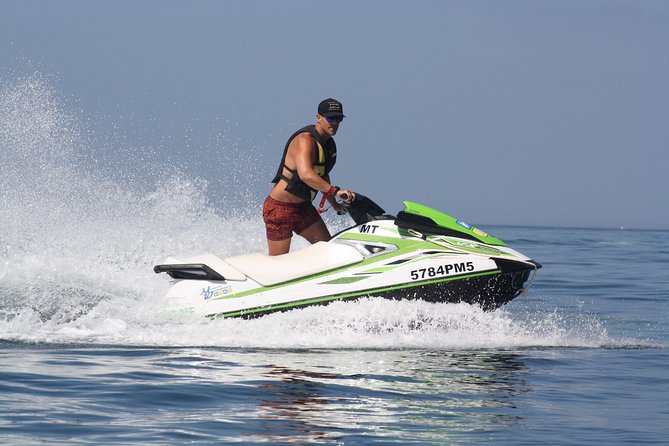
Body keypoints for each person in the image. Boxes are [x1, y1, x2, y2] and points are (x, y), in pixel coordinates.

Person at [263, 98, 355, 256]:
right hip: (279, 209)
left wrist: (335, 205)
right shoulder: (305, 140)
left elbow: (322, 176)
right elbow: (306, 175)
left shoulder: (328, 145)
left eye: (338, 119)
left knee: (328, 250)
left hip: (303, 209)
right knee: (278, 263)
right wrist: (335, 191)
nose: (335, 123)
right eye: (331, 118)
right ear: (318, 118)